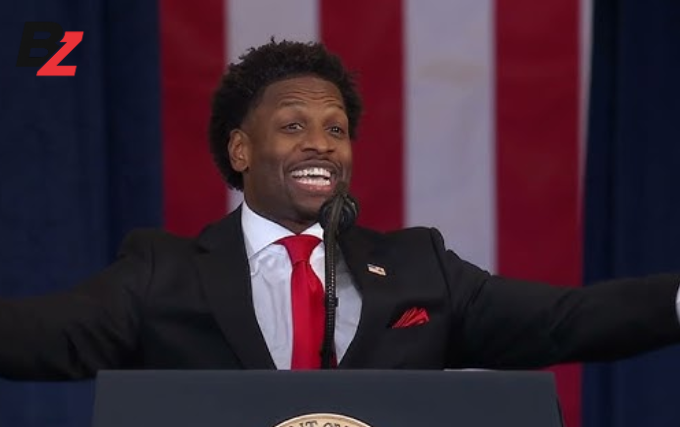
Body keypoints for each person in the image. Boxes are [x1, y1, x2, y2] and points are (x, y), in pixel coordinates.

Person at [1, 39, 679, 379]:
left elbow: (562, 320)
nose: (321, 144)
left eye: (336, 129)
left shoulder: (418, 267)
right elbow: (50, 334)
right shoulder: (163, 271)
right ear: (241, 149)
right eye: (293, 125)